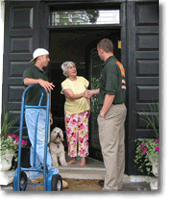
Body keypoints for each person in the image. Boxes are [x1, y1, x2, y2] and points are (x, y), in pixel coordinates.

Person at [84, 38, 127, 191]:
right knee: (118, 149)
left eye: (98, 51)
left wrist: (102, 113)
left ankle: (110, 188)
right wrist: (93, 92)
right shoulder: (117, 64)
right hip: (120, 109)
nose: (98, 54)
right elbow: (110, 88)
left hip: (111, 111)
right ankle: (116, 183)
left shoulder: (109, 66)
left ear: (101, 50)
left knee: (109, 150)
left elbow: (110, 93)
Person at [23, 48, 59, 183]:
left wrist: (49, 112)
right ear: (39, 57)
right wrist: (39, 81)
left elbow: (46, 95)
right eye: (47, 57)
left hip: (43, 110)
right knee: (39, 142)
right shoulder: (31, 70)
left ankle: (35, 173)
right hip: (33, 110)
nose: (48, 59)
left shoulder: (44, 74)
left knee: (39, 143)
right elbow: (26, 81)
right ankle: (52, 171)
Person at [61, 61, 90, 167]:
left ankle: (83, 159)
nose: (73, 69)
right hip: (70, 112)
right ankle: (73, 158)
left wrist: (89, 107)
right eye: (70, 68)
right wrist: (83, 94)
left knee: (83, 136)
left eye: (74, 66)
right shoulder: (65, 83)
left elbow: (87, 95)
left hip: (83, 111)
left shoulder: (82, 80)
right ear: (66, 72)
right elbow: (71, 96)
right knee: (71, 136)